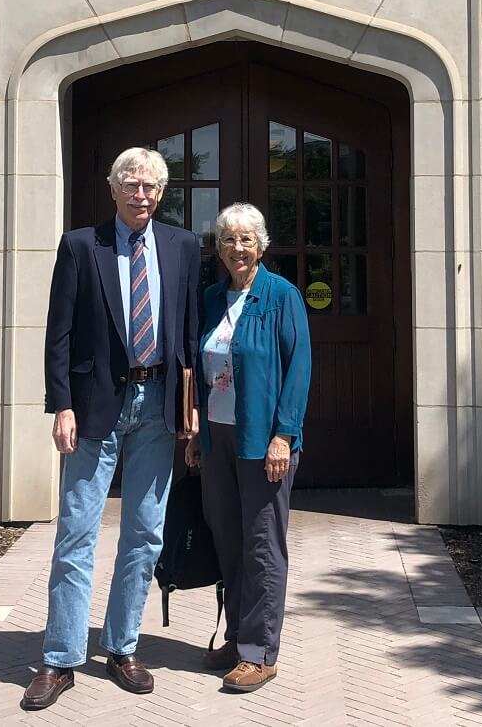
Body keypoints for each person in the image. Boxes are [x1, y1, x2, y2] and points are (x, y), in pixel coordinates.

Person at [22, 147, 200, 711]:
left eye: (151, 185)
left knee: (145, 534)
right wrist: (62, 405)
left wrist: (190, 404)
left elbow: (189, 333)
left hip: (158, 402)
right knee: (76, 532)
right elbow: (59, 333)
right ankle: (61, 658)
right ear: (112, 187)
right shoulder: (81, 245)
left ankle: (123, 647)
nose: (141, 194)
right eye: (131, 184)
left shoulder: (183, 246)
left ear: (161, 192)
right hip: (96, 405)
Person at [185, 203, 311, 693]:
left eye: (245, 239)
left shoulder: (282, 296)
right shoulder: (213, 297)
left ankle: (260, 652)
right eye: (227, 239)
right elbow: (203, 368)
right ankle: (238, 636)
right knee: (228, 539)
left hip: (264, 441)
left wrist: (285, 434)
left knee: (262, 545)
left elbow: (298, 370)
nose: (236, 248)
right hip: (218, 438)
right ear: (218, 248)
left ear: (262, 244)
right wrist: (197, 430)